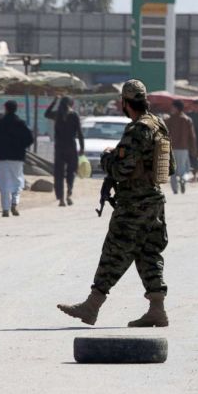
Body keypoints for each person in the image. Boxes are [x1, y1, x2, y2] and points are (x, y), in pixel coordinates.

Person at [57, 79, 175, 327]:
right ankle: (157, 308)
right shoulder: (158, 125)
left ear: (124, 102)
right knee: (148, 253)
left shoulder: (137, 130)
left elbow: (122, 170)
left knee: (114, 251)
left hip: (134, 202)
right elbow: (170, 168)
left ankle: (91, 307)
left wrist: (107, 158)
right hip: (154, 200)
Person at [0, 100, 34, 217]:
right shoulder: (21, 123)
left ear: (5, 108)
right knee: (17, 181)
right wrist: (21, 147)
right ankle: (14, 203)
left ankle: (5, 209)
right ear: (16, 108)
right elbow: (30, 139)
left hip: (2, 156)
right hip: (17, 158)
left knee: (3, 183)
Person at [45, 96, 85, 207]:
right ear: (71, 104)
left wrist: (54, 100)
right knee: (71, 172)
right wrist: (82, 148)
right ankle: (69, 193)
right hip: (71, 147)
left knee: (58, 173)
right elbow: (80, 133)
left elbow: (46, 113)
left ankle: (61, 199)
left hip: (59, 147)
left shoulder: (56, 114)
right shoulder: (74, 115)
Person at [166, 100, 196, 194]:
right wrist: (193, 148)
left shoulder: (169, 120)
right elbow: (192, 136)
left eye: (173, 107)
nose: (171, 109)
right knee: (183, 169)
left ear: (177, 108)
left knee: (173, 170)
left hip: (172, 148)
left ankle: (175, 190)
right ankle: (183, 179)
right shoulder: (188, 120)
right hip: (184, 148)